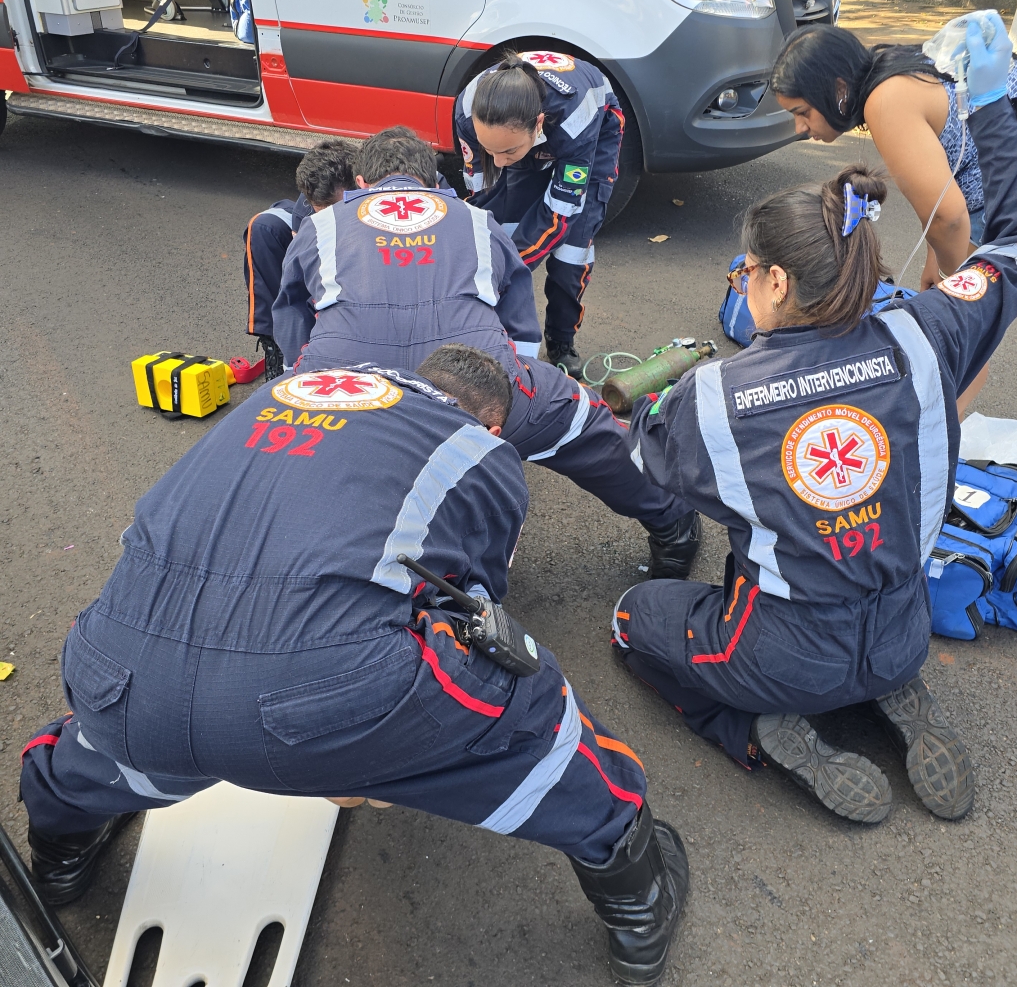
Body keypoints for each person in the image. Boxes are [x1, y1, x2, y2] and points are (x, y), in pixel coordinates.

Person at [19, 344, 689, 986]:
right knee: (530, 702)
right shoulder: (481, 449)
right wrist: (371, 755)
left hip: (113, 666)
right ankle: (635, 895)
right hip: (310, 697)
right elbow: (469, 603)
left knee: (144, 717)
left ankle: (58, 851)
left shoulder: (275, 396)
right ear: (492, 420)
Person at [612, 20, 1017, 824]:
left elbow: (642, 462)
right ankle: (888, 687)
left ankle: (751, 730)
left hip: (784, 656)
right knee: (864, 612)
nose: (741, 281)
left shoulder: (715, 397)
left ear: (776, 281)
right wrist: (989, 101)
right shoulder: (929, 332)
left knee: (633, 621)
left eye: (744, 271)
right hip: (901, 630)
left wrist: (645, 398)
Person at [273, 125, 701, 580]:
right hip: (470, 391)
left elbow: (291, 323)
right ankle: (672, 525)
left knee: (300, 459)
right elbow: (519, 329)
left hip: (348, 395)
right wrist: (521, 396)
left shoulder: (319, 226)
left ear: (360, 182)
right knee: (582, 422)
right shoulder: (478, 222)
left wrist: (301, 392)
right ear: (434, 182)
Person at [769, 15, 1017, 411]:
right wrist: (939, 259)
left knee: (969, 325)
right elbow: (942, 186)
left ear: (840, 90)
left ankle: (929, 453)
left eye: (802, 111)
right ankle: (931, 435)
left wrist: (955, 284)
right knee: (962, 325)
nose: (799, 127)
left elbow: (949, 217)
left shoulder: (885, 102)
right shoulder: (891, 74)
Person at [454, 51, 624, 380]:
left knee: (571, 251)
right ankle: (493, 329)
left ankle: (561, 340)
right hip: (523, 134)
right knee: (501, 225)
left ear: (539, 125)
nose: (498, 162)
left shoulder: (576, 120)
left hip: (592, 137)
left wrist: (506, 269)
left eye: (507, 153)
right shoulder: (466, 109)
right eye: (489, 150)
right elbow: (481, 196)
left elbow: (560, 215)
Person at [242, 140, 361, 379]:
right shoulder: (310, 202)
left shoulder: (377, 189)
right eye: (320, 210)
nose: (326, 216)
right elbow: (298, 279)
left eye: (334, 209)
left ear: (360, 184)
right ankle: (274, 344)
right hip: (321, 258)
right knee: (265, 227)